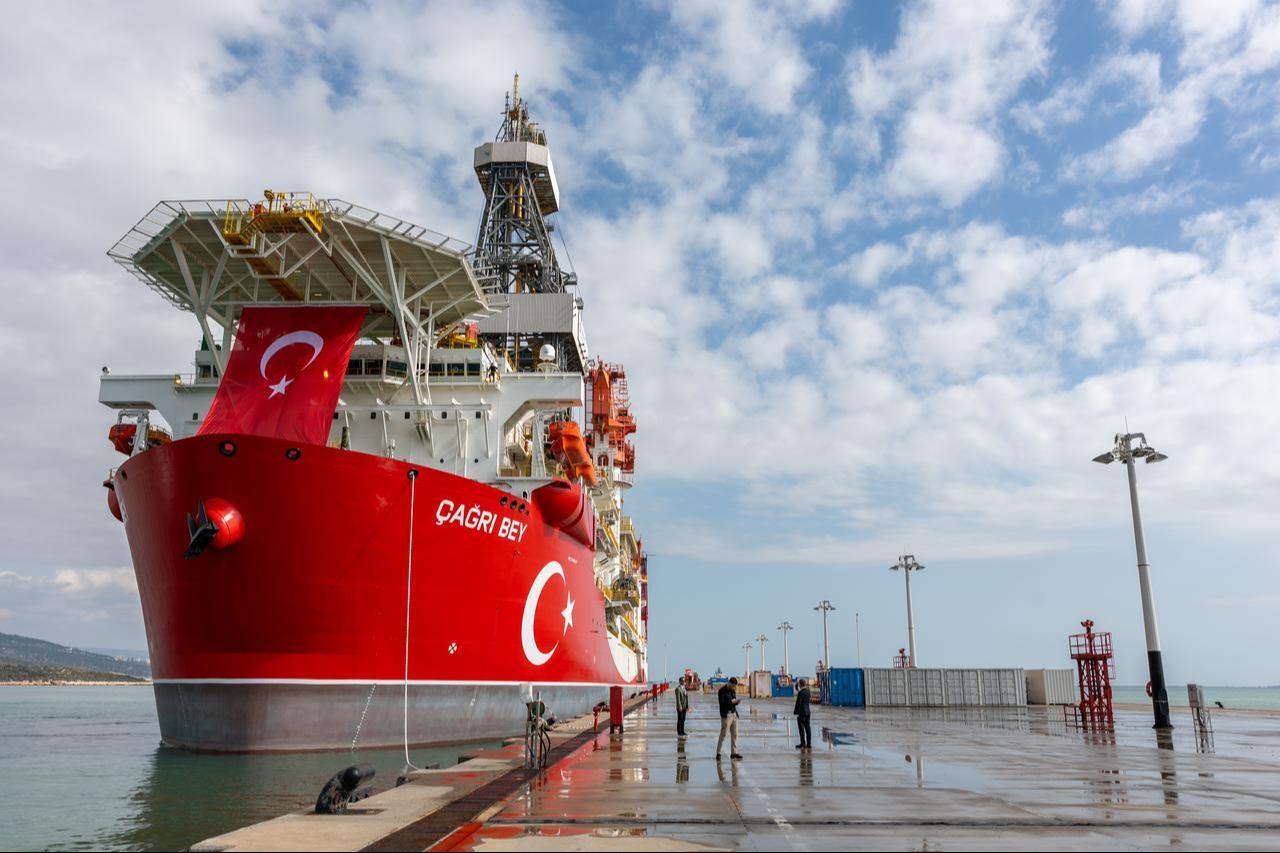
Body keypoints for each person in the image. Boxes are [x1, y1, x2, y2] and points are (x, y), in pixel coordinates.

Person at [717, 677, 743, 760]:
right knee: (723, 734)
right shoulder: (722, 691)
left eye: (734, 686)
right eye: (733, 686)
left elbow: (733, 701)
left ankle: (734, 753)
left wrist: (736, 702)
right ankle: (719, 752)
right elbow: (722, 702)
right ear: (729, 683)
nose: (733, 688)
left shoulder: (733, 691)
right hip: (726, 715)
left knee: (735, 735)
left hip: (734, 714)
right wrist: (731, 702)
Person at [794, 677, 812, 750]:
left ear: (800, 685)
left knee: (801, 729)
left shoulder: (801, 693)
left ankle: (802, 743)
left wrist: (796, 712)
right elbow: (804, 697)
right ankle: (809, 744)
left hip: (802, 713)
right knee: (808, 728)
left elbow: (799, 703)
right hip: (808, 712)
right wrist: (798, 690)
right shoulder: (808, 691)